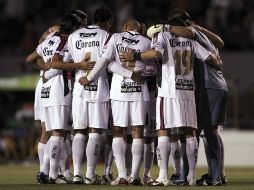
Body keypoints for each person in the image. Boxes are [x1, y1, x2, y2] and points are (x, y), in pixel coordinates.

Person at [120, 18, 222, 186]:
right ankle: (191, 177)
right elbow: (211, 57)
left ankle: (163, 176)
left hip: (168, 92)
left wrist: (135, 55)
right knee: (189, 133)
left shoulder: (163, 37)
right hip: (188, 91)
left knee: (163, 131)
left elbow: (157, 54)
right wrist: (218, 63)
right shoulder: (191, 42)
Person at [79, 19, 150, 186]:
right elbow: (152, 67)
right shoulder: (147, 41)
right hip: (140, 90)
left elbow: (105, 62)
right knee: (137, 131)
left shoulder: (117, 37)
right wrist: (133, 74)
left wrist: (89, 78)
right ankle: (135, 176)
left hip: (119, 91)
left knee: (118, 131)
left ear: (125, 27)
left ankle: (122, 176)